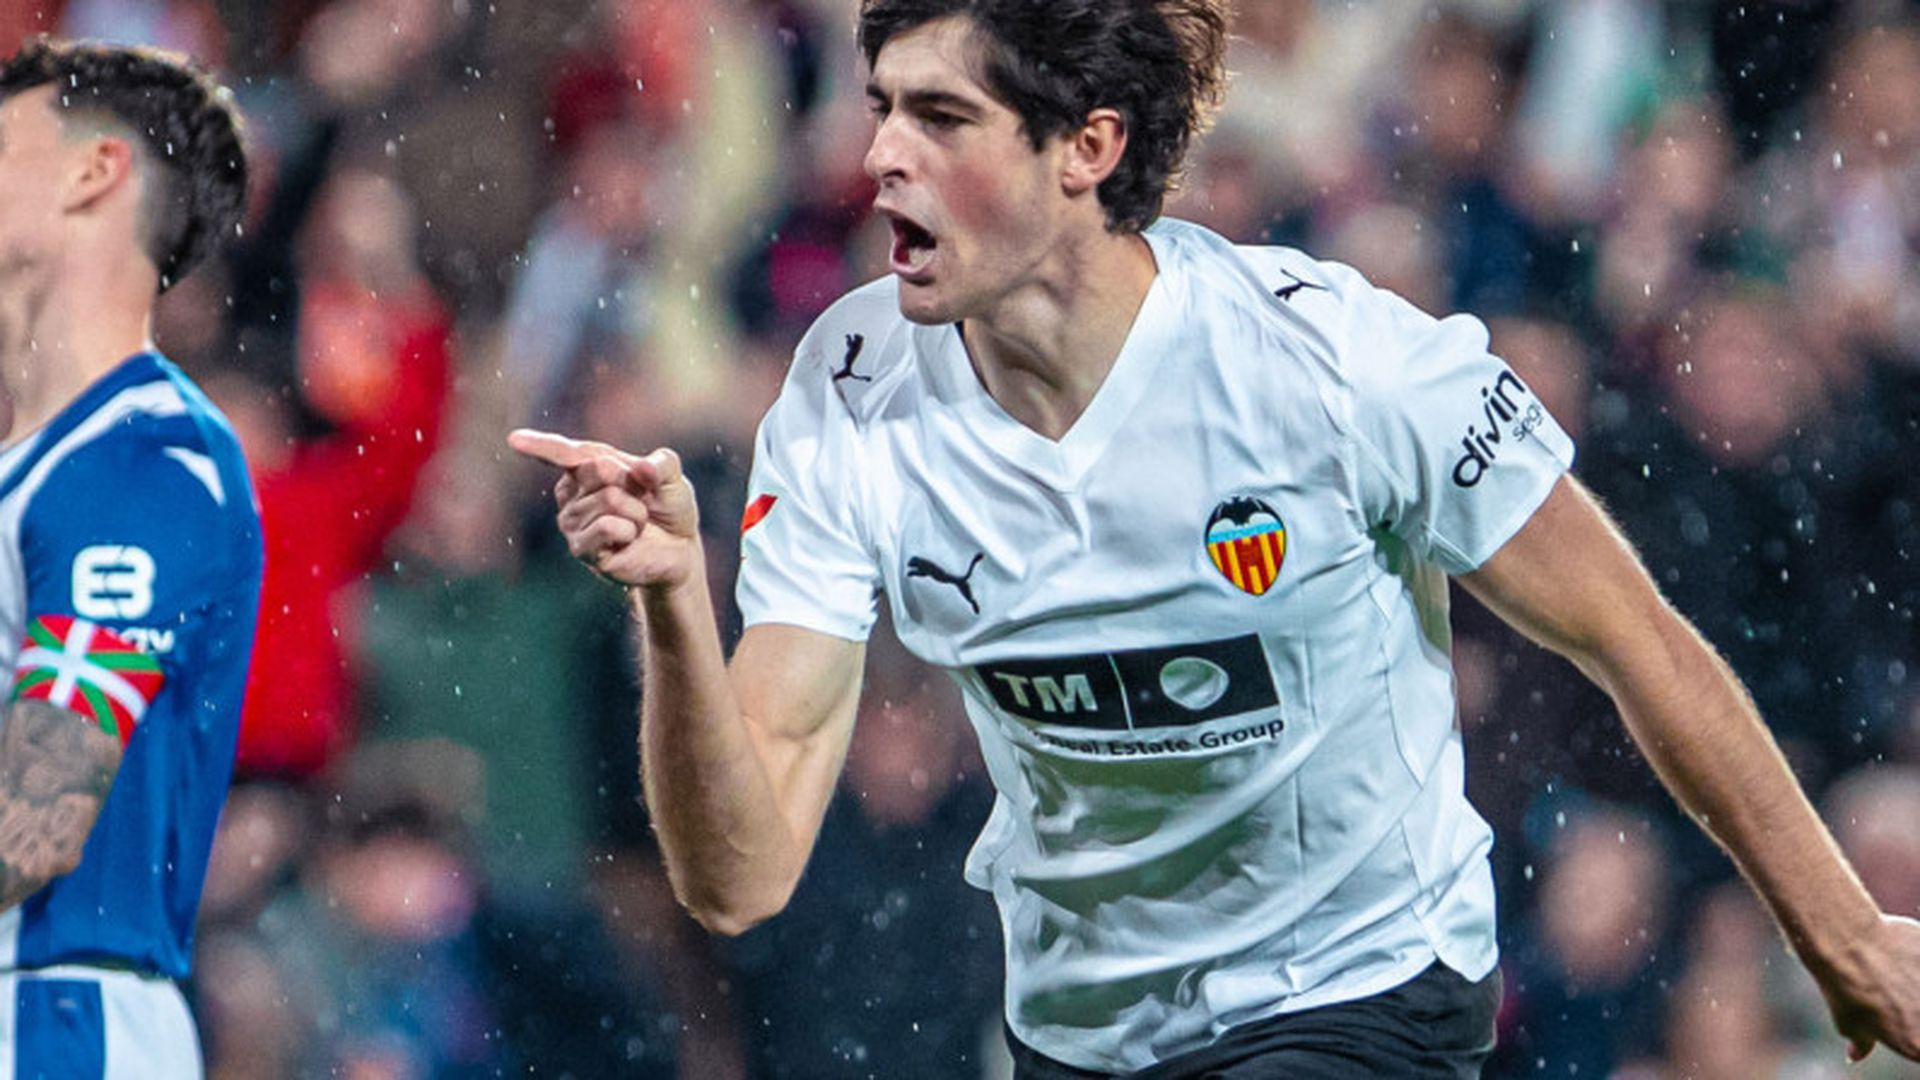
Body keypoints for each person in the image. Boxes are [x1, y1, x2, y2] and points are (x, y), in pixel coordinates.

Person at [511, 1, 1920, 1075]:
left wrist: (1845, 936)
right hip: (1083, 1026)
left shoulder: (1337, 368)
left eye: (940, 119)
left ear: (1088, 148)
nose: (879, 155)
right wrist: (676, 613)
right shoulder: (849, 390)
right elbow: (738, 873)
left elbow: (1637, 639)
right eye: (881, 107)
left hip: (1362, 989)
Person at [0, 38, 259, 1077]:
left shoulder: (145, 461)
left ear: (92, 169)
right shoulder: (51, 468)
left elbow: (36, 816)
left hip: (59, 1025)